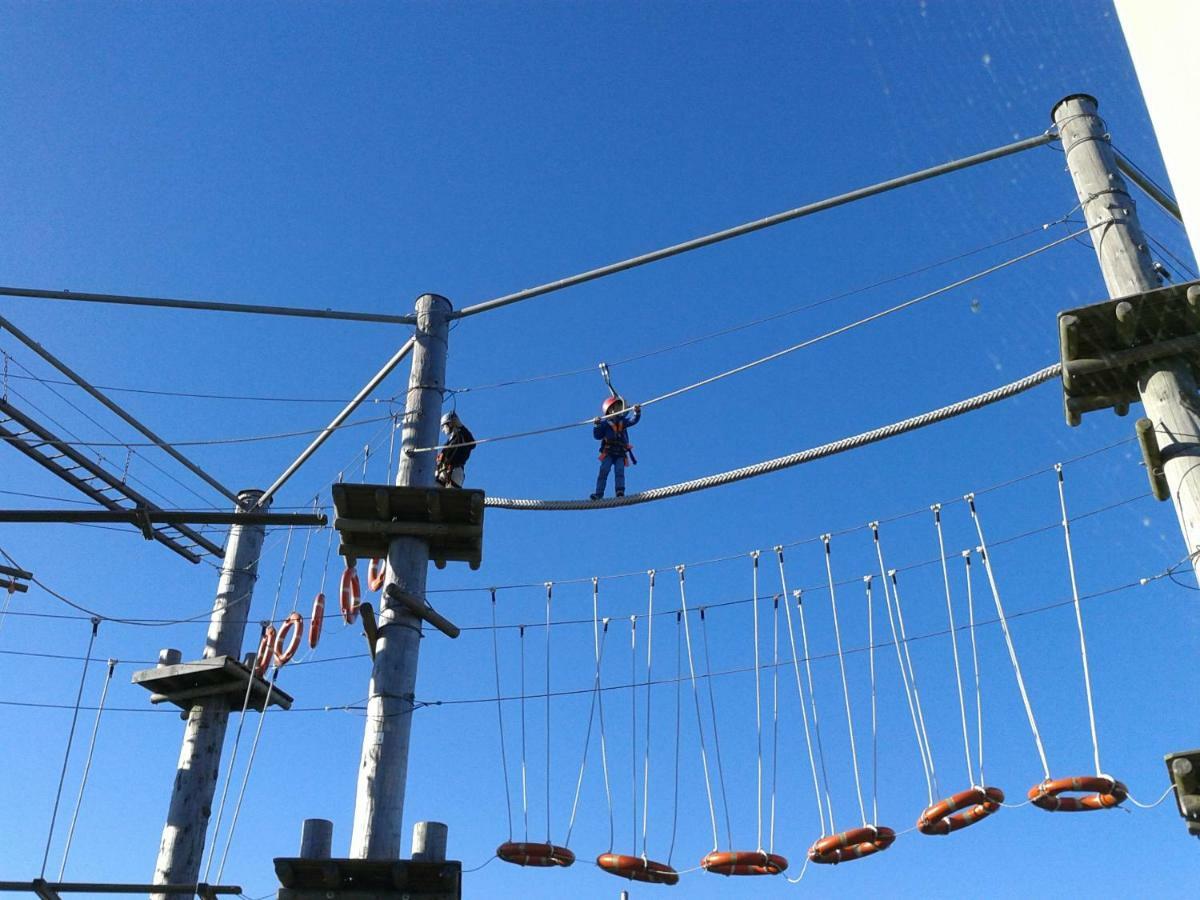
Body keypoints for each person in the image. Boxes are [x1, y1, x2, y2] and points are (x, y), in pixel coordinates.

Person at [590, 396, 640, 499]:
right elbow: (597, 435)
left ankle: (620, 491)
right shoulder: (605, 424)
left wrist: (636, 412)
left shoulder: (623, 421)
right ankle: (599, 494)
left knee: (619, 471)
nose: (618, 410)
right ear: (610, 411)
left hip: (620, 452)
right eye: (616, 408)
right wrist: (597, 425)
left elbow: (633, 420)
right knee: (604, 470)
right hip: (609, 451)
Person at [436, 411, 474, 488]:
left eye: (443, 426)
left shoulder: (461, 437)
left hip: (455, 472)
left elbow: (472, 443)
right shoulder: (449, 442)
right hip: (444, 473)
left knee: (449, 498)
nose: (443, 430)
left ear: (450, 424)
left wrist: (461, 426)